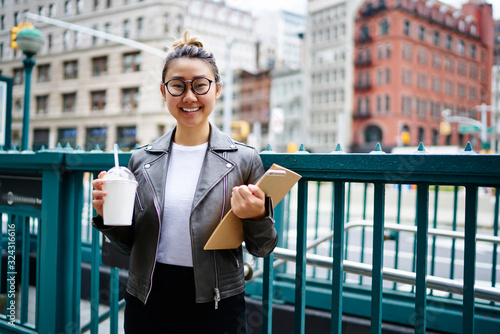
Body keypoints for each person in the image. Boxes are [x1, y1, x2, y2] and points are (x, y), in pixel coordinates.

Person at [91, 30, 278, 334]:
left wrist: (256, 215)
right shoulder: (141, 160)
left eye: (200, 85)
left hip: (217, 302)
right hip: (148, 297)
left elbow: (263, 247)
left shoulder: (245, 159)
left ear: (217, 90)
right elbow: (129, 244)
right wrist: (106, 214)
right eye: (177, 86)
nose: (189, 96)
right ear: (164, 92)